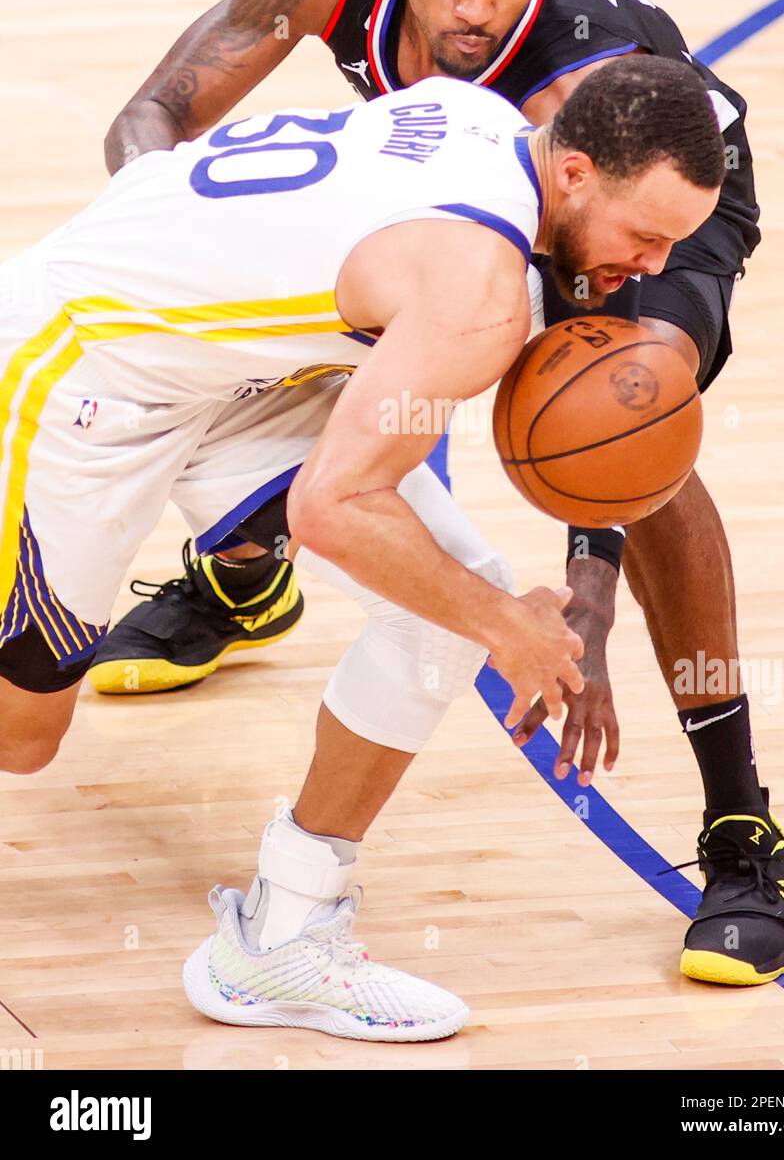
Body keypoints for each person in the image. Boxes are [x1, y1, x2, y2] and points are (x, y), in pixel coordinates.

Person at [97, 0, 784, 988]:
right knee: (307, 298)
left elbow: (608, 372)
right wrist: (165, 240)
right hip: (448, 184)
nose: (474, 9)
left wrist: (584, 587)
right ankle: (245, 562)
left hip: (656, 183)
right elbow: (153, 118)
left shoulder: (576, 91)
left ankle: (739, 827)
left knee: (634, 437)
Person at [0, 59, 725, 1038]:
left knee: (444, 611)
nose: (650, 266)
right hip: (82, 363)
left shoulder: (476, 118)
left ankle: (276, 941)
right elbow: (330, 509)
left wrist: (488, 611)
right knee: (23, 736)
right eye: (644, 235)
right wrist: (508, 629)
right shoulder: (478, 288)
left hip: (237, 372)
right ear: (574, 173)